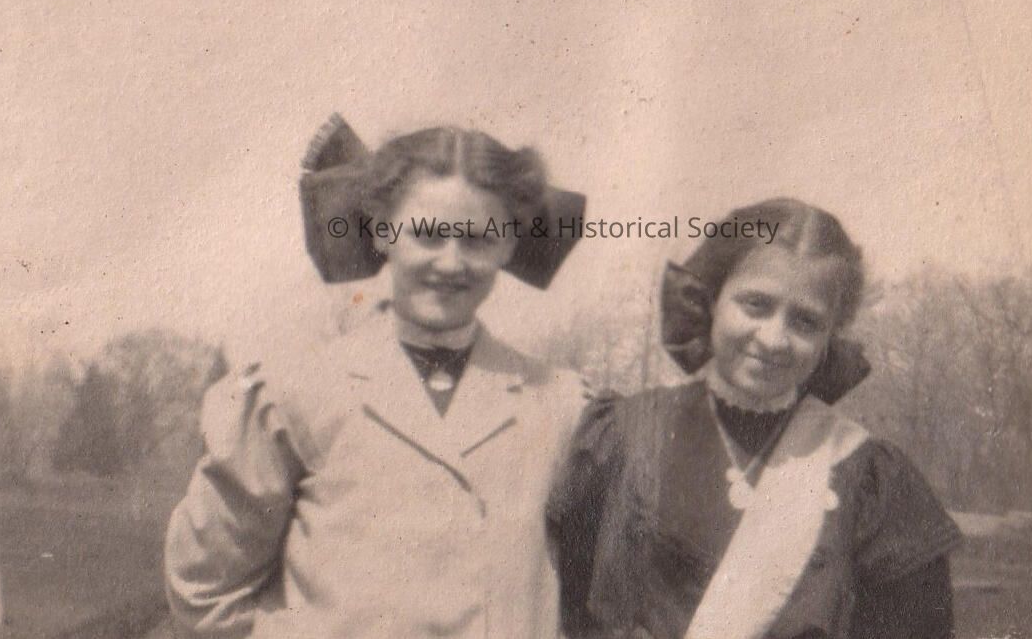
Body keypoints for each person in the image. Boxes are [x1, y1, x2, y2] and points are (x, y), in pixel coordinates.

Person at [165, 115, 587, 638]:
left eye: (479, 239)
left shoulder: (561, 406)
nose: (451, 263)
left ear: (508, 247)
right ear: (383, 231)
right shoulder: (294, 393)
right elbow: (205, 589)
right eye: (428, 235)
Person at [547, 197, 963, 639]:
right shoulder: (622, 437)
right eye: (755, 305)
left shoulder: (866, 476)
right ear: (711, 300)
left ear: (830, 336)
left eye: (805, 322)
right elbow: (563, 606)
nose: (774, 338)